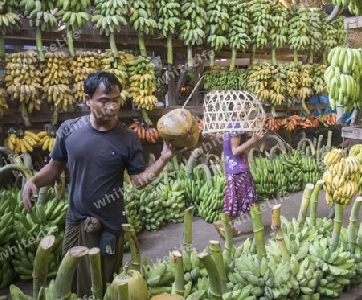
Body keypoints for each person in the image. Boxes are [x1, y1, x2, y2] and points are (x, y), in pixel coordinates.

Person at [22, 71, 184, 298]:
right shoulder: (69, 130)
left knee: (106, 285)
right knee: (72, 282)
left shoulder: (128, 138)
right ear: (88, 100)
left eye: (116, 100)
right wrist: (34, 180)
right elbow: (54, 168)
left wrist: (163, 159)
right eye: (104, 101)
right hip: (76, 222)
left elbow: (138, 182)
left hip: (110, 225)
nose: (112, 107)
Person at [213, 100, 265, 238]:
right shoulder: (236, 125)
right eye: (239, 104)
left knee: (239, 200)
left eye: (245, 104)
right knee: (244, 200)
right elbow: (235, 150)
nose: (243, 107)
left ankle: (228, 227)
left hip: (234, 168)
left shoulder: (234, 123)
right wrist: (253, 139)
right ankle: (222, 223)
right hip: (238, 170)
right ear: (233, 107)